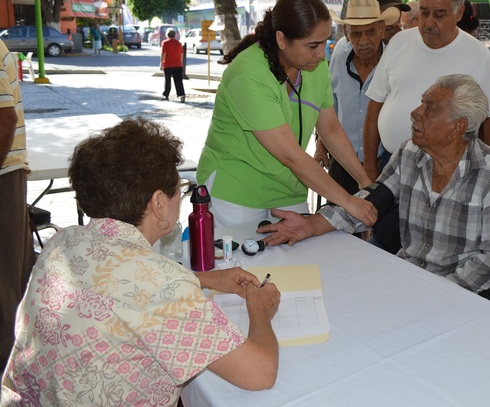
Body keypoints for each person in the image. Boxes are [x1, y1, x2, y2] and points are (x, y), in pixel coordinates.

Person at [1, 118, 281, 405]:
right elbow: (260, 373)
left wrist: (203, 279)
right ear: (159, 203)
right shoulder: (163, 287)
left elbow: (114, 287)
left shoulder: (62, 242)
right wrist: (260, 311)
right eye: (178, 188)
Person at [260, 75, 490, 307]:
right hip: (409, 277)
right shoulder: (410, 153)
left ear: (457, 127)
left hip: (464, 292)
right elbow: (369, 202)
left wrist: (439, 291)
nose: (415, 113)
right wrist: (312, 225)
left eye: (429, 108)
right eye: (421, 103)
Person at [197, 0, 377, 228]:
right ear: (282, 40)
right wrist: (347, 201)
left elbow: (331, 130)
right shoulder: (248, 73)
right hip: (236, 194)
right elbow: (290, 156)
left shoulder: (316, 66)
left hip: (288, 192)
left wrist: (365, 182)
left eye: (324, 42)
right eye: (312, 45)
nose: (320, 53)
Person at [364, 0, 490, 181]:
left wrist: (489, 175)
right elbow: (375, 106)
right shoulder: (399, 42)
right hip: (391, 166)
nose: (429, 23)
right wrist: (370, 170)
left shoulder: (478, 54)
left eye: (439, 15)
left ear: (459, 12)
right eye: (424, 12)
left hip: (448, 172)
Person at [314, 0, 400, 194]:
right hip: (342, 164)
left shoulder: (395, 62)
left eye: (370, 32)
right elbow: (329, 107)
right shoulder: (338, 59)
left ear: (381, 29)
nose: (362, 41)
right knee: (334, 221)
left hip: (383, 165)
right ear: (346, 33)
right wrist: (321, 145)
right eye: (356, 33)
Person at [0, 39, 35, 373]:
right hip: (7, 175)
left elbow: (4, 119)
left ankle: (10, 371)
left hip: (3, 176)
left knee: (5, 286)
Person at [160, 28, 186, 102]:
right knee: (178, 81)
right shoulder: (179, 43)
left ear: (167, 35)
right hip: (178, 65)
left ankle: (166, 95)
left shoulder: (165, 43)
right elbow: (181, 55)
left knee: (167, 80)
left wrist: (161, 63)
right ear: (175, 35)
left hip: (168, 65)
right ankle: (182, 95)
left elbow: (163, 54)